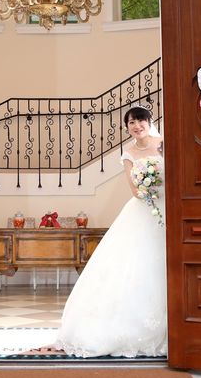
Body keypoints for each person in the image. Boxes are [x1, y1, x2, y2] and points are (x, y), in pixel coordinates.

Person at [55, 105, 167, 358]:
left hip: (168, 206)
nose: (137, 126)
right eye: (131, 123)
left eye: (141, 121)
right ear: (127, 127)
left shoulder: (163, 144)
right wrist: (148, 190)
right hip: (144, 209)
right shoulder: (128, 154)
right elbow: (134, 190)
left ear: (150, 122)